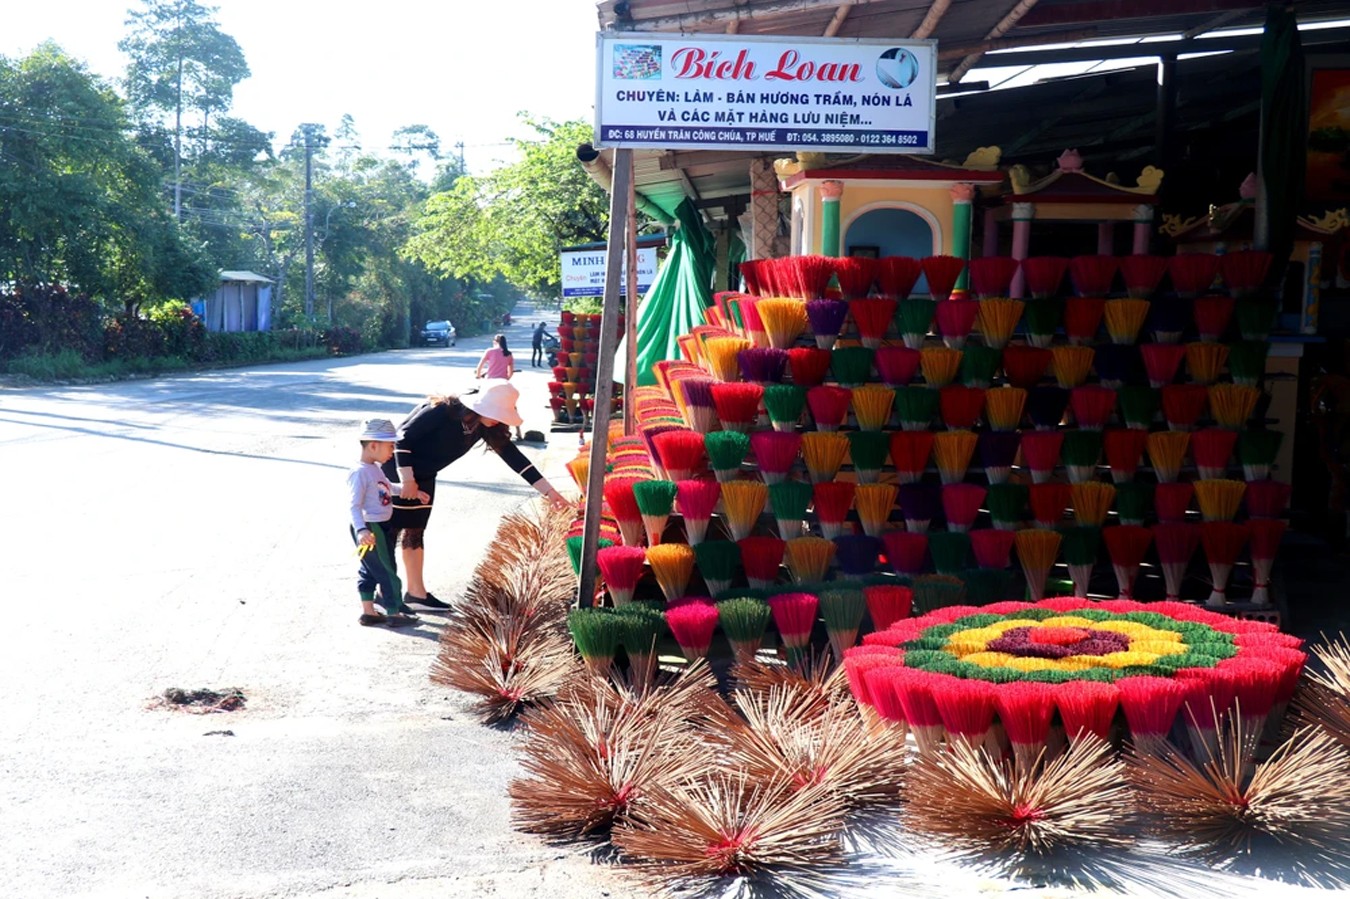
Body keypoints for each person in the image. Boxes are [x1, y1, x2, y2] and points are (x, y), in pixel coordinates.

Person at [383, 380, 570, 611]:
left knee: (415, 531)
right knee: (391, 531)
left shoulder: (484, 425)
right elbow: (402, 438)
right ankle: (386, 594)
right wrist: (407, 480)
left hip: (425, 475)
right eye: (494, 413)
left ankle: (416, 593)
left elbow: (514, 458)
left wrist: (549, 492)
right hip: (397, 470)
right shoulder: (444, 410)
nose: (497, 419)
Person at [347, 419, 424, 628]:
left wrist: (413, 492)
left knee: (370, 569)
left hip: (378, 526)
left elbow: (387, 488)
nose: (393, 450)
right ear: (373, 445)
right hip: (371, 528)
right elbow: (354, 506)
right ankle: (394, 612)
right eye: (390, 446)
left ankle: (369, 612)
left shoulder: (375, 468)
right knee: (387, 571)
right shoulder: (360, 472)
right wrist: (361, 529)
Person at [475, 334, 522, 439]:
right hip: (503, 382)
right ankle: (518, 431)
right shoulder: (508, 354)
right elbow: (510, 373)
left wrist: (478, 375)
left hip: (490, 382)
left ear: (495, 341)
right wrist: (505, 379)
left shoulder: (489, 351)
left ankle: (477, 428)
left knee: (479, 405)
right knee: (511, 406)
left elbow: (480, 366)